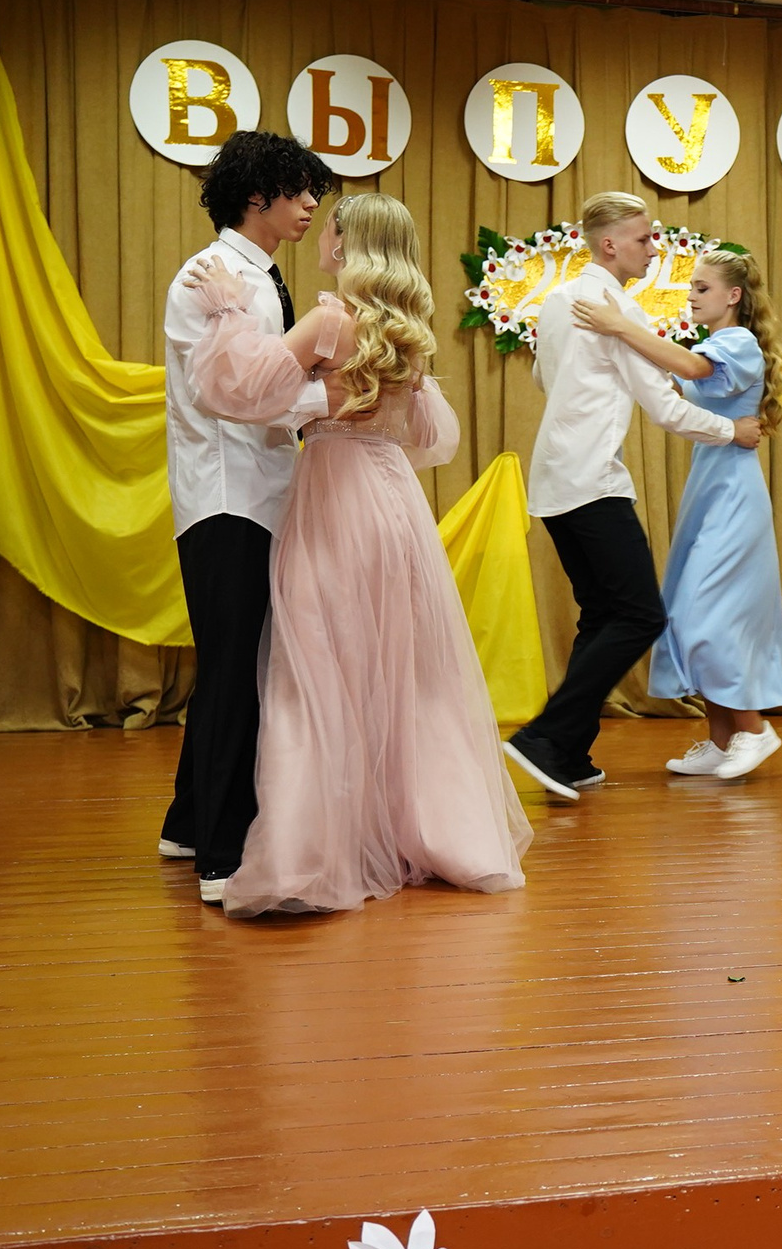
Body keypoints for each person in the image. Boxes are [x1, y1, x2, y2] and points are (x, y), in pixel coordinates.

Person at [181, 191, 530, 918]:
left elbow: (235, 389)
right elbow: (431, 436)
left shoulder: (332, 320)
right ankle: (433, 831)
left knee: (314, 669)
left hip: (335, 495)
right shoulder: (405, 331)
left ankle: (309, 851)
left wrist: (224, 312)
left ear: (346, 245)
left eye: (330, 225)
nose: (320, 231)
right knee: (402, 673)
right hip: (395, 501)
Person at [502, 193, 763, 799]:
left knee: (602, 614)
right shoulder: (617, 310)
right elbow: (667, 408)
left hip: (555, 480)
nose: (654, 247)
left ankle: (566, 750)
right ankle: (544, 737)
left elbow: (544, 377)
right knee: (640, 614)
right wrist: (733, 430)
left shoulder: (558, 300)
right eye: (645, 239)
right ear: (610, 244)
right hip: (593, 479)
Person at [158, 130, 335, 905]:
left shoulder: (254, 278)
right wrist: (341, 400)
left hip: (252, 492)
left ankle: (190, 822)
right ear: (257, 195)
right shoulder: (219, 277)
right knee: (236, 672)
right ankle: (222, 856)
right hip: (227, 496)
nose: (308, 209)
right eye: (299, 193)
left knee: (232, 664)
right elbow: (236, 395)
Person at [575, 247, 782, 780]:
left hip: (734, 497)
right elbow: (676, 384)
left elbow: (689, 369)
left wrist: (621, 326)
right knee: (687, 613)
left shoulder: (735, 342)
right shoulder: (719, 343)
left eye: (701, 288)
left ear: (733, 295)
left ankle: (755, 729)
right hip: (710, 489)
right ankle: (722, 740)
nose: (690, 297)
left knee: (704, 616)